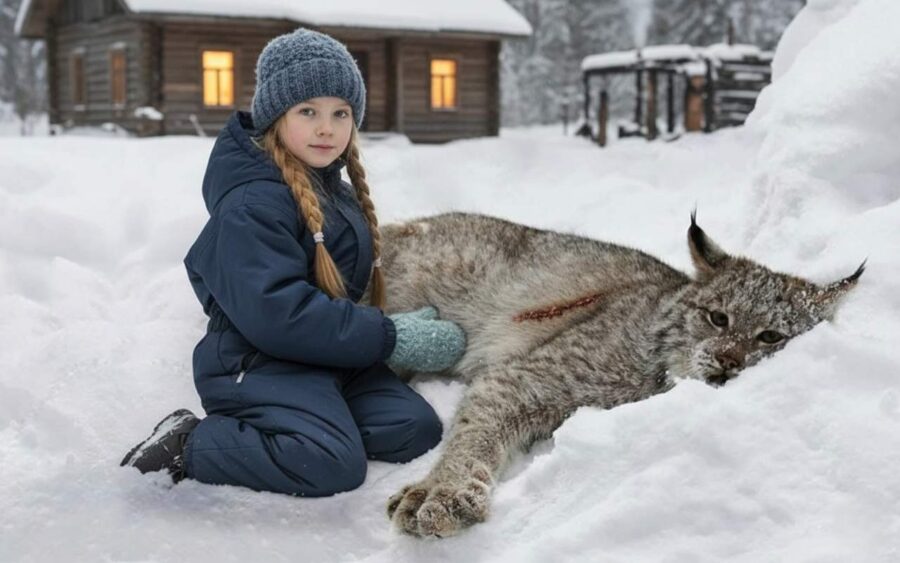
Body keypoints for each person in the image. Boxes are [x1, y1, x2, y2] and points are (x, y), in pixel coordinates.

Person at [120, 28, 466, 497]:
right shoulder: (252, 204)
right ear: (275, 117)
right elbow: (276, 313)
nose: (327, 127)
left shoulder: (329, 187)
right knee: (331, 465)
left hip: (324, 356)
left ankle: (311, 423)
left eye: (340, 113)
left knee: (413, 429)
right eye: (308, 111)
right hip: (259, 360)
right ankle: (191, 442)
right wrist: (390, 337)